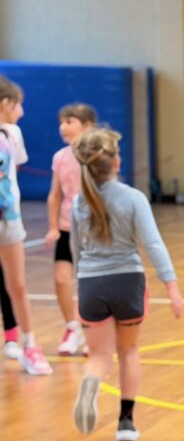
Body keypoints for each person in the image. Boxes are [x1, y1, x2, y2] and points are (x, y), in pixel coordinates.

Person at [71, 128, 184, 441]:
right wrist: (171, 285)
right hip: (127, 282)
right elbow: (153, 244)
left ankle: (91, 382)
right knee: (129, 351)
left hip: (90, 283)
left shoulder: (79, 202)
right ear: (116, 162)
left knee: (99, 357)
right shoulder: (133, 198)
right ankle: (126, 424)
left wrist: (80, 284)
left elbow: (75, 249)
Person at [0, 75, 51, 375]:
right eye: (18, 105)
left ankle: (30, 346)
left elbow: (12, 171)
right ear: (5, 103)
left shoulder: (12, 134)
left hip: (9, 219)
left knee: (17, 285)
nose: (22, 111)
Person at [46, 102, 97, 357]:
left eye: (69, 121)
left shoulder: (97, 155)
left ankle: (94, 332)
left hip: (93, 229)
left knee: (91, 283)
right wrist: (53, 227)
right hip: (68, 228)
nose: (63, 127)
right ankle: (72, 328)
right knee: (61, 278)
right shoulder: (60, 157)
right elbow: (55, 195)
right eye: (61, 122)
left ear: (87, 125)